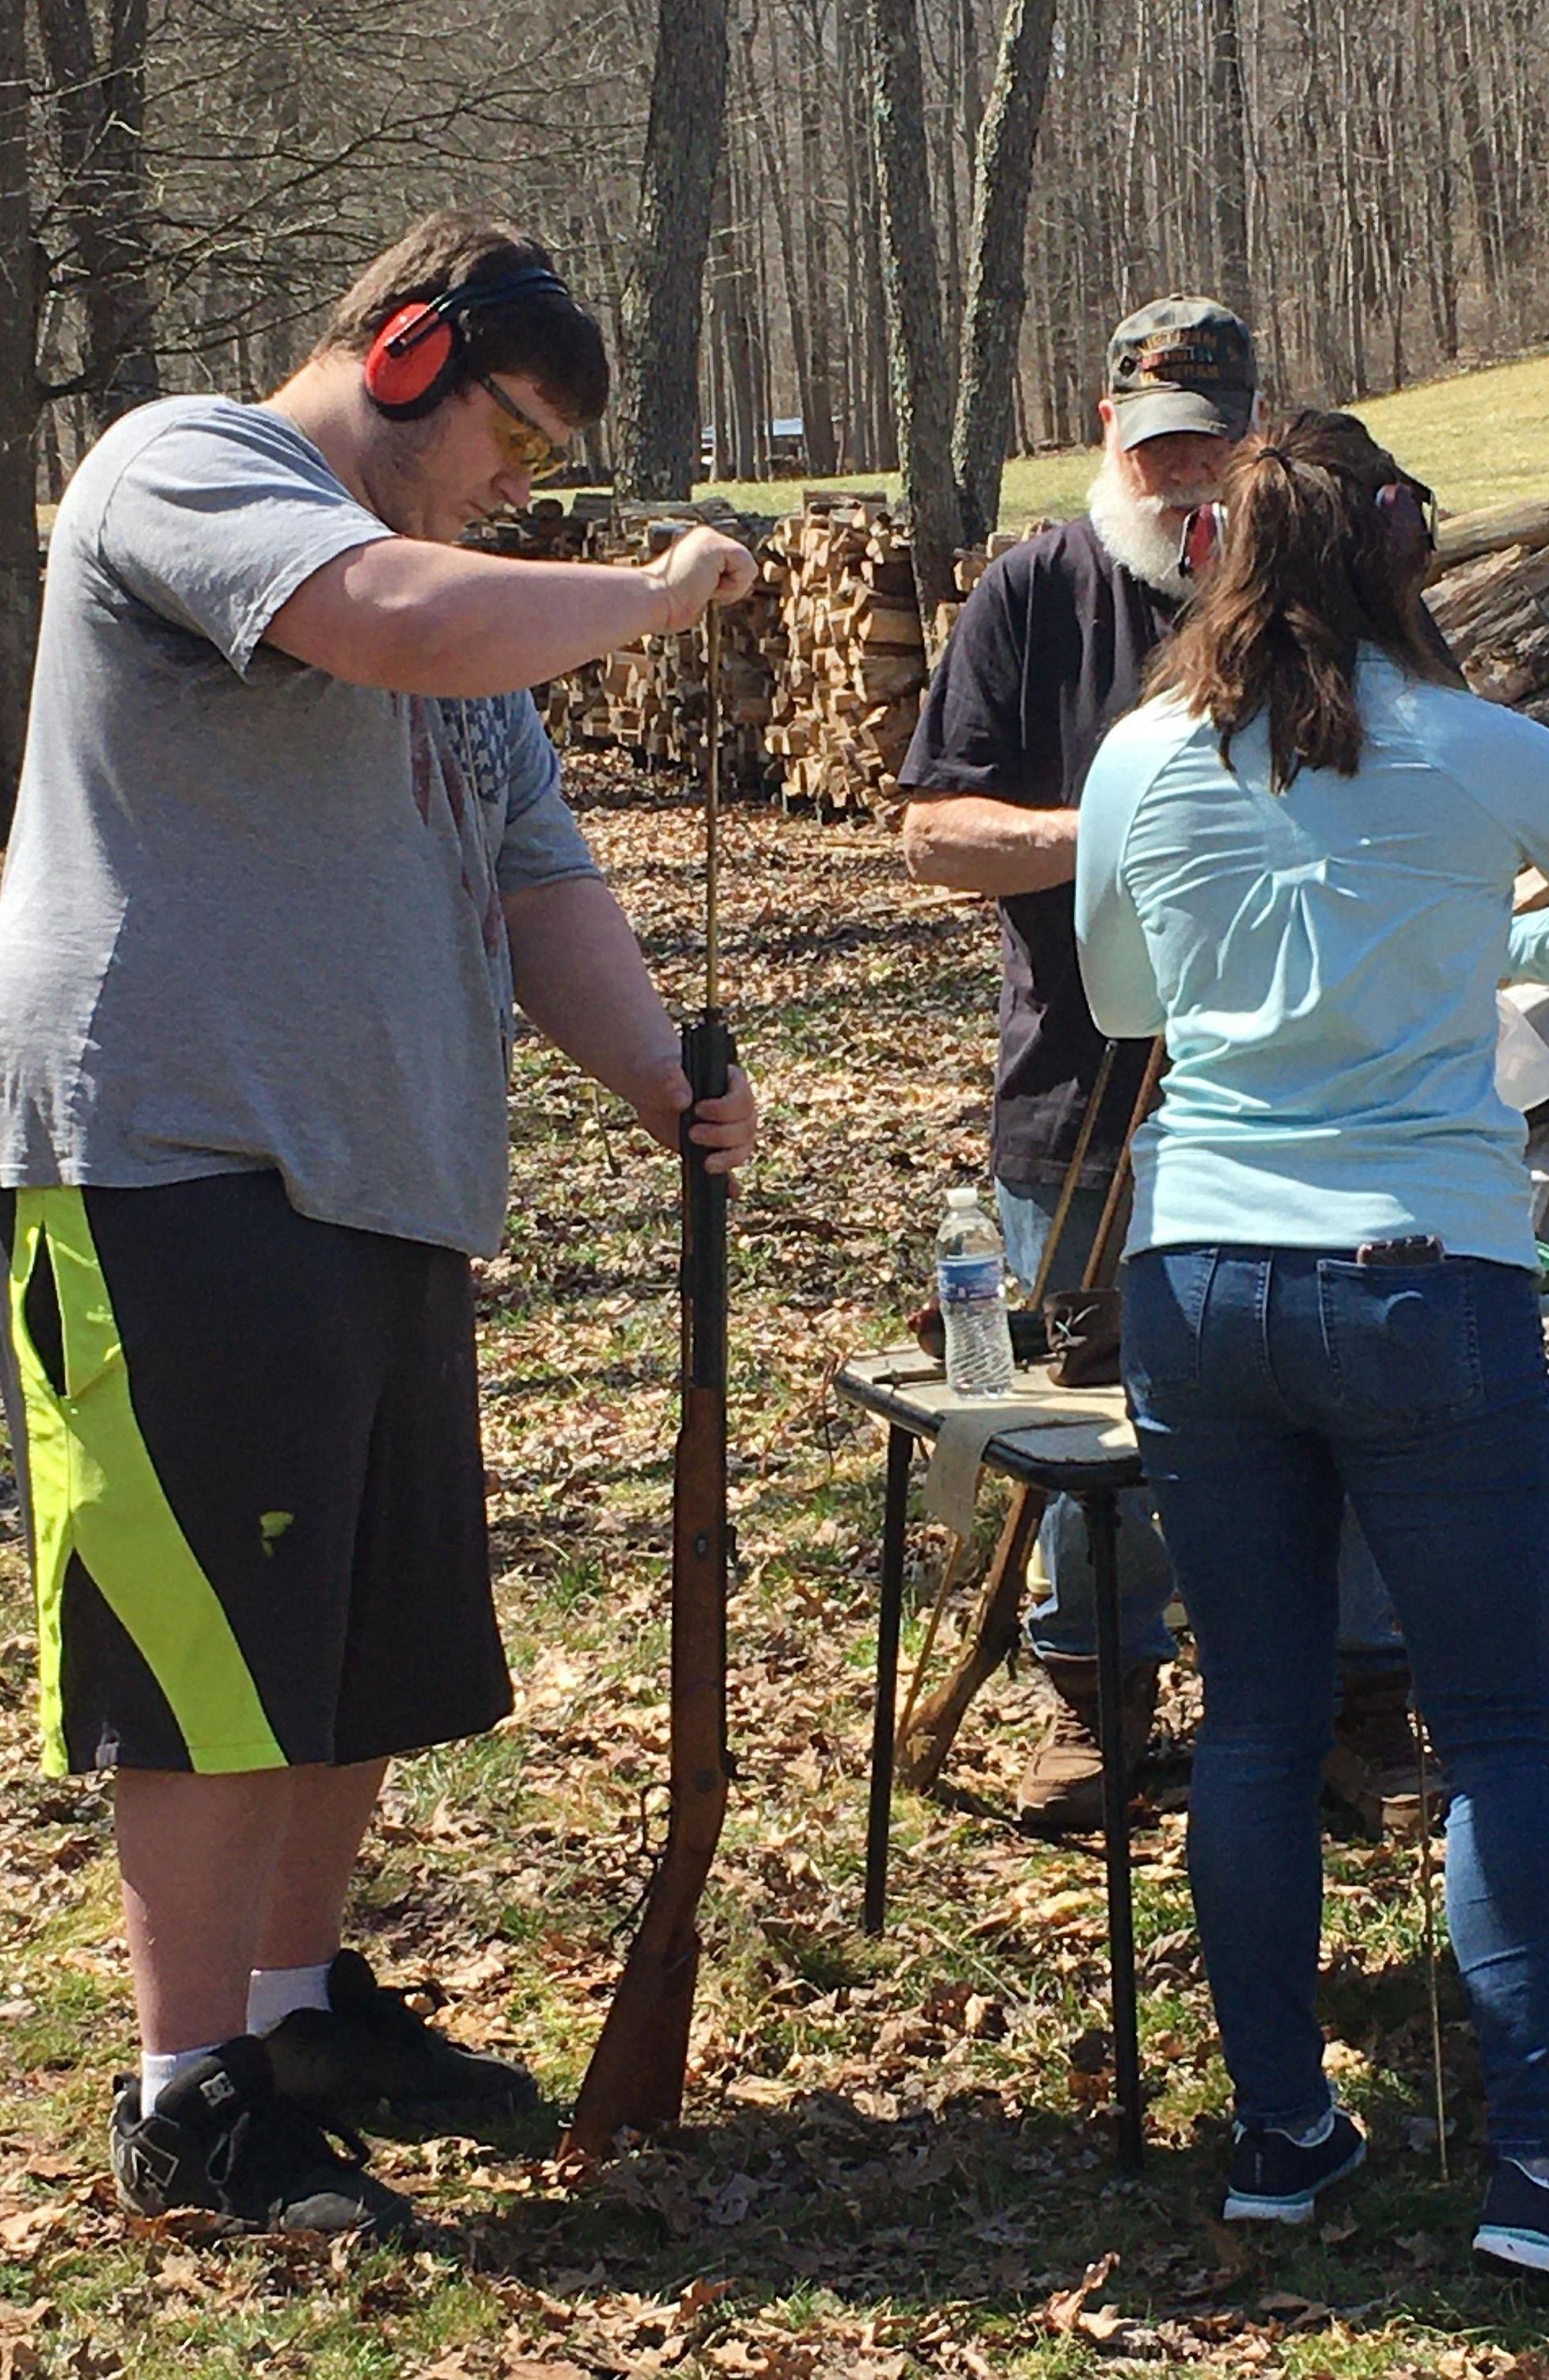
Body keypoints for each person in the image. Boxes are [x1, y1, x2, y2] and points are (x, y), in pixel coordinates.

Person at [0, 212, 761, 2235]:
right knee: (210, 1662)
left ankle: (295, 2007)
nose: (522, 486)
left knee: (347, 1652)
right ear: (408, 355)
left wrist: (665, 1083)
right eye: (510, 434)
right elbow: (397, 620)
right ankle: (185, 2098)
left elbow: (542, 891)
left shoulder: (474, 621)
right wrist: (655, 586)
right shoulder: (190, 467)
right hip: (175, 1162)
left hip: (384, 1185)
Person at [1074, 408, 1549, 2280]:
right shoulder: (1478, 747)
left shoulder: (1144, 752)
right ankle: (1542, 2162)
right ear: (1400, 553)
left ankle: (1281, 2132)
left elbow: (1130, 996)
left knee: (1256, 1725)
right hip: (1415, 1273)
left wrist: (1435, 945)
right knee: (1505, 1734)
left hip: (1198, 1272)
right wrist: (1496, 931)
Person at [899, 298, 1413, 1834]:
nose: (1186, 489)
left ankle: (1364, 1711)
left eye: (1214, 459)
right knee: (1088, 1416)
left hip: (1312, 1084)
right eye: (1160, 453)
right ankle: (1096, 1704)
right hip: (1083, 1082)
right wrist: (1118, 836)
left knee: (1346, 1395)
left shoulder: (1325, 592)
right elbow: (934, 831)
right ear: (1107, 443)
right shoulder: (1038, 589)